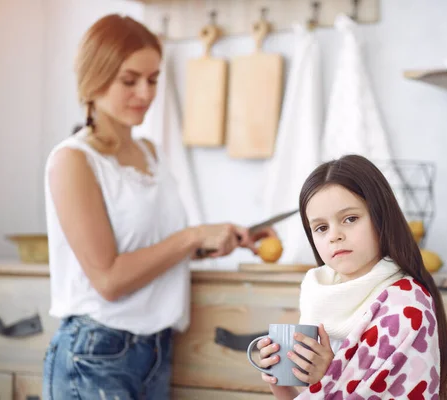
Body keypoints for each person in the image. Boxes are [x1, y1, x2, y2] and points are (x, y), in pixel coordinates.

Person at [41, 14, 274, 399]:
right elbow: (109, 280)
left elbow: (150, 251)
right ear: (93, 79)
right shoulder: (73, 161)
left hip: (155, 350)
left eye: (153, 79)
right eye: (129, 80)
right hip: (95, 355)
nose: (146, 94)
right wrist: (193, 236)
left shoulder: (150, 153)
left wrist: (215, 242)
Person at [256, 154, 447, 399]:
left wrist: (328, 378)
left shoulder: (405, 306)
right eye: (321, 227)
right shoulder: (318, 294)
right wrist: (280, 382)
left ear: (380, 217)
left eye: (350, 219)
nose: (334, 235)